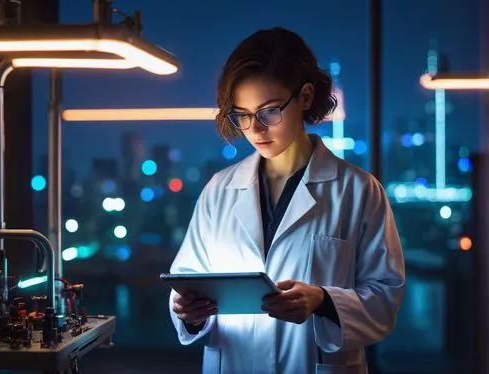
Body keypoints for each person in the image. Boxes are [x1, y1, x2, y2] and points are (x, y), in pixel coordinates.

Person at [168, 27, 405, 374]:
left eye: (269, 112)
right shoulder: (219, 190)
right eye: (243, 115)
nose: (256, 129)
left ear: (306, 97)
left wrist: (323, 301)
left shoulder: (358, 190)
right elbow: (187, 278)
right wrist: (188, 313)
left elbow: (385, 298)